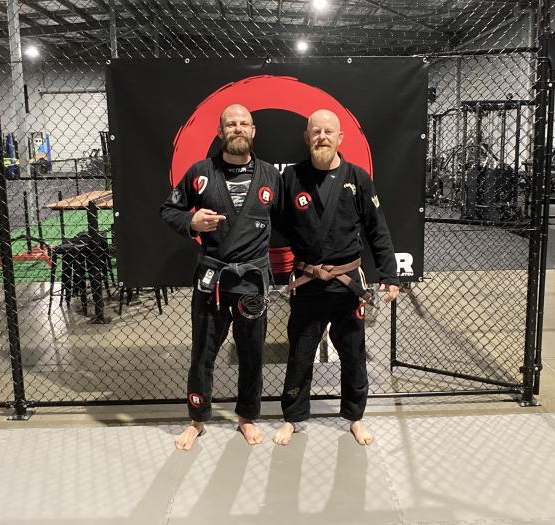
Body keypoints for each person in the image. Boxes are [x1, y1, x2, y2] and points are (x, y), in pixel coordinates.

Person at [273, 109, 400, 446]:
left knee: (353, 353)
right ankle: (293, 417)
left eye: (329, 131)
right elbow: (276, 224)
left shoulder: (357, 178)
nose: (322, 137)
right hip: (308, 283)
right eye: (316, 131)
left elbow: (377, 230)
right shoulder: (291, 178)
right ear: (307, 137)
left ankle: (355, 417)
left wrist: (389, 274)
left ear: (340, 138)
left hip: (347, 285)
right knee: (300, 353)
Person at [161, 104, 281, 450]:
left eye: (244, 123)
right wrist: (191, 222)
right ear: (220, 131)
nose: (238, 128)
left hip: (252, 281)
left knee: (252, 352)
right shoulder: (200, 172)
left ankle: (247, 417)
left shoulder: (271, 176)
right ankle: (197, 419)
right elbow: (168, 209)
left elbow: (291, 221)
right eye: (231, 124)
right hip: (212, 280)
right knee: (203, 352)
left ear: (253, 131)